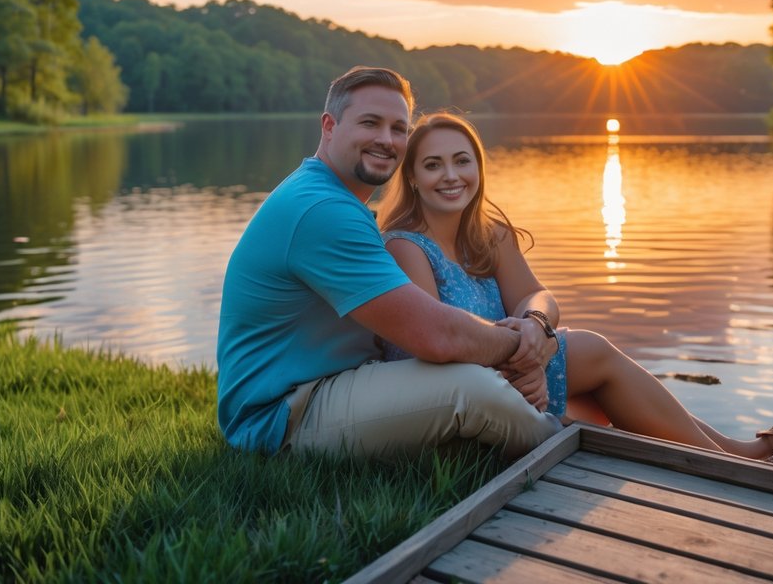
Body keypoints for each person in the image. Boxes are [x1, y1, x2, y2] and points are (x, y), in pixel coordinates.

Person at [377, 112, 773, 470]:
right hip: (455, 390)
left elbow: (538, 297)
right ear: (413, 178)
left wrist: (538, 327)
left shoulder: (489, 235)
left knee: (595, 375)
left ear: (478, 167)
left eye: (462, 161)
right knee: (594, 355)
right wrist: (529, 357)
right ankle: (746, 462)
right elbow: (440, 343)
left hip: (511, 369)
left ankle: (747, 455)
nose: (451, 175)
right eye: (433, 165)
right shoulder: (406, 245)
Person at [216, 67, 562, 460]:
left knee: (562, 356)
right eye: (370, 123)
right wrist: (525, 344)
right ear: (329, 126)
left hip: (332, 382)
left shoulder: (332, 198)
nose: (386, 140)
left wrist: (540, 329)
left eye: (399, 128)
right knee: (468, 388)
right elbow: (437, 335)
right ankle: (563, 445)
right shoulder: (321, 209)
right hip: (282, 414)